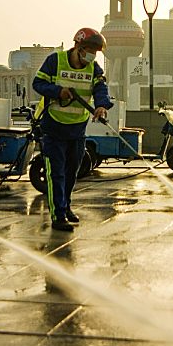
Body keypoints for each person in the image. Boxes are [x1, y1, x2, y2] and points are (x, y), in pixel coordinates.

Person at [32, 28, 112, 232]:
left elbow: (101, 89)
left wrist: (102, 105)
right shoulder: (55, 61)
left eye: (96, 52)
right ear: (77, 46)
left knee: (71, 172)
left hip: (77, 129)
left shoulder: (94, 68)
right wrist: (58, 92)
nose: (92, 55)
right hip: (54, 127)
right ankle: (58, 216)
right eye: (89, 50)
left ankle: (65, 206)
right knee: (56, 173)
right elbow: (38, 83)